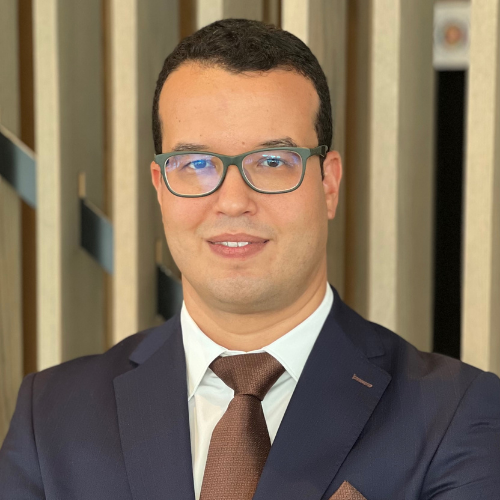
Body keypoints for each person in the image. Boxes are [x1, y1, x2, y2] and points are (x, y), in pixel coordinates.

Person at [1, 18, 499, 500]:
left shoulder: (452, 415)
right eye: (196, 163)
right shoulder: (52, 417)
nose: (233, 201)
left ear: (328, 184)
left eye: (273, 162)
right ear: (160, 187)